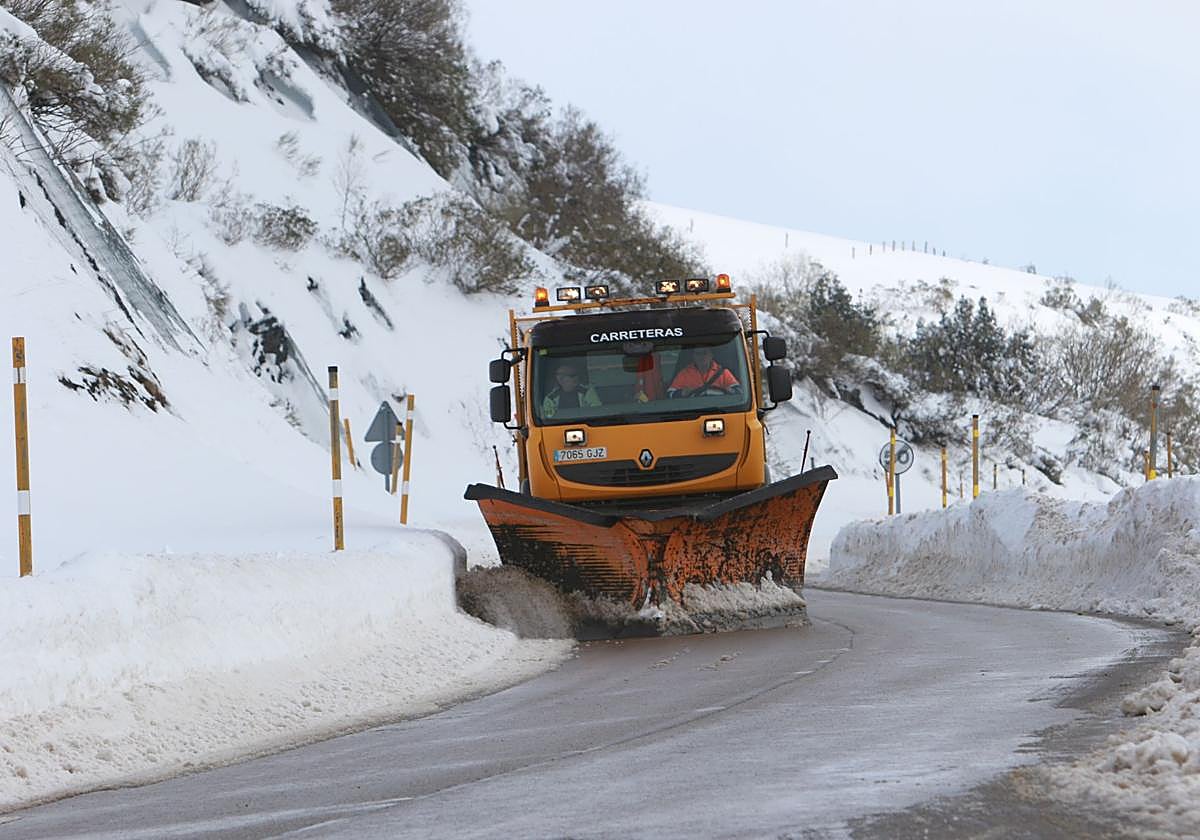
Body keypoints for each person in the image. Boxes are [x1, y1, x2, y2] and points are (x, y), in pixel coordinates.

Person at [668, 346, 740, 397]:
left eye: (704, 353)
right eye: (698, 354)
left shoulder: (723, 372)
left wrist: (728, 390)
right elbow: (670, 394)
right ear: (693, 356)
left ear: (711, 355)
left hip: (720, 410)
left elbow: (739, 391)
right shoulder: (684, 374)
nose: (701, 357)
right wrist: (684, 393)